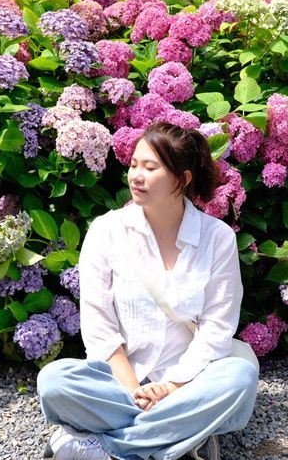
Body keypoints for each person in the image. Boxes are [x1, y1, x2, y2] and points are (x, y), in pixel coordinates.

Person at [37, 122, 259, 460]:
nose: (136, 176)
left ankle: (104, 446)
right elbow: (99, 328)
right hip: (119, 381)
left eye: (150, 168)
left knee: (239, 377)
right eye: (134, 165)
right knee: (54, 382)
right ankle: (180, 438)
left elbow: (218, 327)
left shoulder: (217, 238)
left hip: (190, 382)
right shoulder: (106, 231)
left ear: (182, 179)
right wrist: (134, 391)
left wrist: (172, 387)